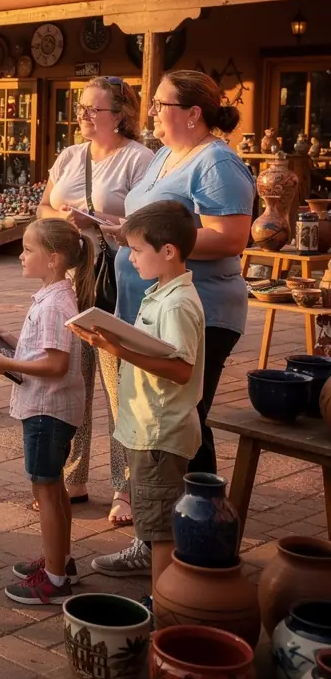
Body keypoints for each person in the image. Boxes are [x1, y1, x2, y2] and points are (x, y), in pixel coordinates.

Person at [91, 70, 253, 578]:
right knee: (182, 427)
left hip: (196, 311)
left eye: (162, 103)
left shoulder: (217, 161)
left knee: (180, 426)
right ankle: (197, 536)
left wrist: (151, 240)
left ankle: (176, 543)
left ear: (193, 113)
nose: (153, 111)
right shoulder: (164, 156)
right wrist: (127, 233)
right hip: (151, 307)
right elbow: (152, 222)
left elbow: (231, 236)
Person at [73, 202, 204, 603]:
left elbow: (180, 369)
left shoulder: (178, 303)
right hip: (146, 425)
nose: (130, 257)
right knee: (151, 514)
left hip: (160, 431)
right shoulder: (162, 293)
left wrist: (117, 347)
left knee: (161, 529)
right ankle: (159, 594)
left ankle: (162, 606)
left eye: (137, 249)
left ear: (168, 251)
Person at [37, 77, 154, 526]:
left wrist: (104, 221)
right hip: (69, 279)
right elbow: (45, 206)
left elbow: (148, 223)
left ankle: (126, 489)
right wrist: (63, 218)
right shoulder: (70, 156)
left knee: (117, 385)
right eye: (81, 107)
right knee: (72, 381)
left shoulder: (138, 160)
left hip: (114, 282)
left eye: (93, 110)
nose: (83, 116)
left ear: (120, 114)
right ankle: (74, 477)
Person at [0, 219, 95, 604]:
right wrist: (13, 343)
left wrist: (8, 364)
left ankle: (56, 579)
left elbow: (55, 366)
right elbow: (48, 352)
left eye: (28, 250)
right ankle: (59, 561)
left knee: (45, 490)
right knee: (54, 488)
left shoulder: (56, 303)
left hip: (47, 410)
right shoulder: (55, 296)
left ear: (53, 258)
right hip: (52, 408)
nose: (20, 256)